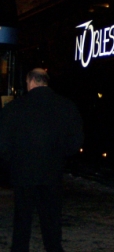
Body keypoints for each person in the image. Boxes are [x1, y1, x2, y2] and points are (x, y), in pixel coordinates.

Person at [0, 68, 84, 252]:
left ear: (30, 82)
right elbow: (76, 141)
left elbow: (3, 143)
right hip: (52, 173)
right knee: (52, 224)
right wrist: (59, 154)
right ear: (46, 81)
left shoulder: (14, 108)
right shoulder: (66, 106)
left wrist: (13, 162)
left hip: (23, 174)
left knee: (22, 223)